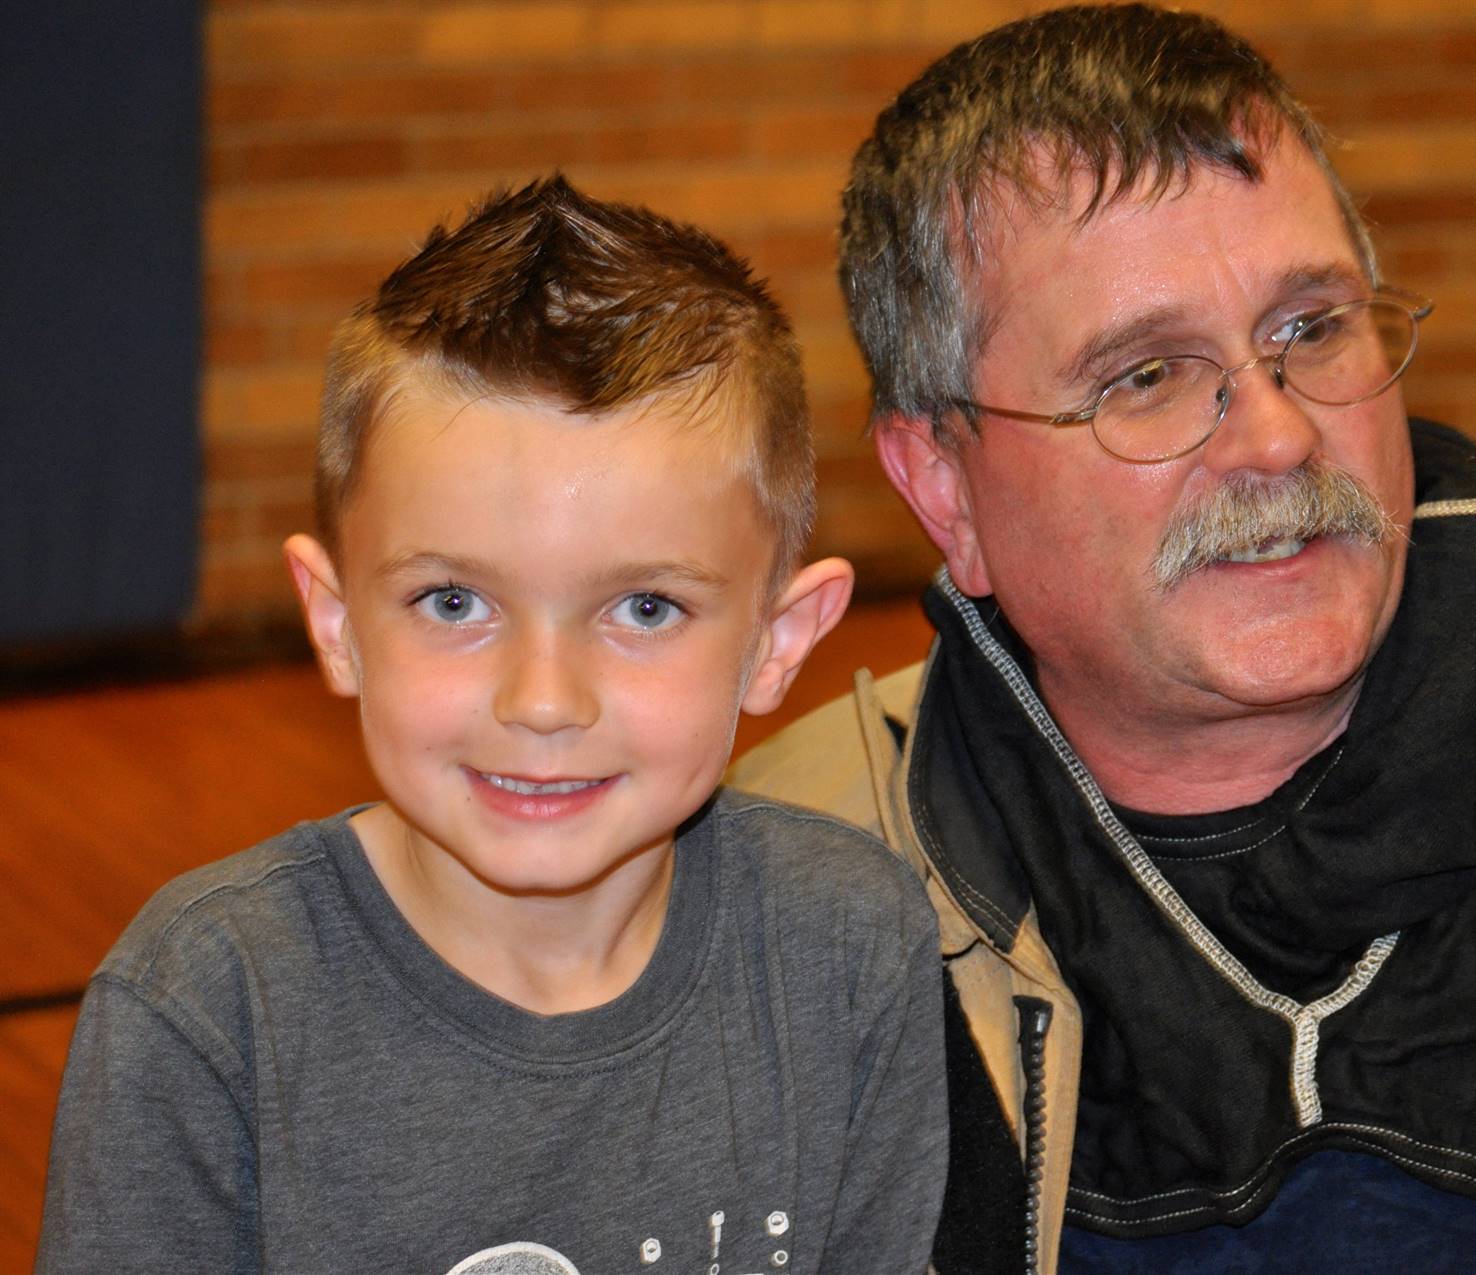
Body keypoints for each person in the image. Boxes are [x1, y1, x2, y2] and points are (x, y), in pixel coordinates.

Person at [728, 6, 1476, 1273]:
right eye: (1147, 377)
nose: (1279, 439)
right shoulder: (741, 932)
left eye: (1311, 330)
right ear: (943, 488)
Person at [36, 176, 946, 1274]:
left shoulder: (851, 946)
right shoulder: (205, 1008)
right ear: (336, 624)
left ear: (778, 642)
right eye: (455, 602)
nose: (543, 700)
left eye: (645, 608)